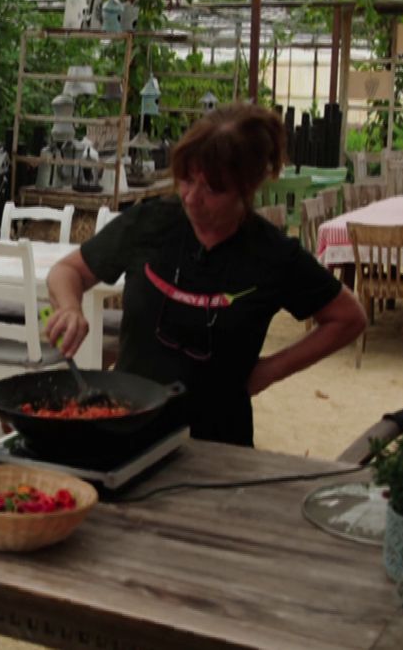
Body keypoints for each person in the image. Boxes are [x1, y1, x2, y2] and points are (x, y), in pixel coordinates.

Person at [45, 104, 366, 447]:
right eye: (186, 179)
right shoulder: (151, 223)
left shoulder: (272, 254)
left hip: (219, 442)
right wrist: (69, 307)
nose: (192, 198)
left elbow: (348, 318)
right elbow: (68, 271)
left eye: (213, 189)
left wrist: (268, 371)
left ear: (247, 186)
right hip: (128, 430)